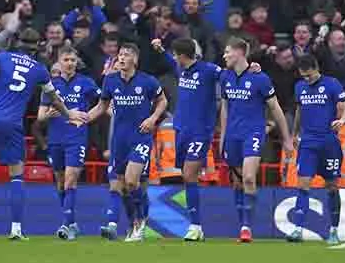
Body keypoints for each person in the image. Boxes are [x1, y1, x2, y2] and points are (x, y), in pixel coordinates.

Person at [0, 28, 86, 240]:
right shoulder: (39, 70)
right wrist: (68, 115)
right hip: (12, 123)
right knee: (16, 176)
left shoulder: (1, 58)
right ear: (37, 46)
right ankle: (16, 229)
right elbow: (54, 98)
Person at [152, 36, 261, 242]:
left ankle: (195, 225)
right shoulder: (181, 70)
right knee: (187, 175)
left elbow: (231, 73)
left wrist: (250, 69)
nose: (174, 58)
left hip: (200, 131)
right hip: (181, 130)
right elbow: (167, 58)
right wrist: (159, 49)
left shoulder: (209, 70)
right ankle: (197, 226)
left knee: (190, 171)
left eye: (176, 55)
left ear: (183, 56)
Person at [87, 42, 168, 243]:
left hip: (140, 137)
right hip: (119, 139)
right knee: (120, 187)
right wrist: (83, 118)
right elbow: (101, 106)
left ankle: (141, 220)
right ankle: (134, 224)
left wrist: (152, 119)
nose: (121, 58)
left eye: (126, 55)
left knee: (132, 181)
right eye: (120, 55)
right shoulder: (110, 81)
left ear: (135, 60)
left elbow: (163, 101)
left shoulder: (147, 81)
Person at [219, 37, 292, 243]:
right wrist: (223, 136)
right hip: (232, 135)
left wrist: (286, 139)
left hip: (253, 133)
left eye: (227, 52)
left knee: (249, 178)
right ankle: (242, 222)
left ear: (240, 52)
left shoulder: (260, 79)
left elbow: (275, 109)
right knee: (236, 182)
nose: (224, 55)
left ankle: (246, 228)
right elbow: (225, 108)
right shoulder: (225, 76)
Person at [34, 47, 100, 241]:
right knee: (61, 181)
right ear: (59, 62)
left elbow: (104, 101)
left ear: (76, 62)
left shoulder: (86, 83)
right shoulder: (50, 85)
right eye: (66, 60)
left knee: (71, 178)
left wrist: (87, 117)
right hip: (55, 139)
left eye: (73, 60)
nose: (70, 63)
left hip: (76, 137)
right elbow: (40, 116)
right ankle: (71, 222)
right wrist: (48, 115)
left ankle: (65, 225)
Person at [287, 55, 345, 244]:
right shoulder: (299, 87)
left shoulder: (332, 84)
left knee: (331, 186)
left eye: (309, 75)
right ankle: (297, 229)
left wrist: (342, 120)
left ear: (316, 68)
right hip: (308, 143)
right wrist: (294, 133)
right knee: (303, 184)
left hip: (329, 143)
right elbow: (299, 111)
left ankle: (334, 230)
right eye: (303, 76)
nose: (306, 79)